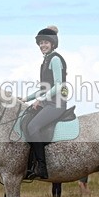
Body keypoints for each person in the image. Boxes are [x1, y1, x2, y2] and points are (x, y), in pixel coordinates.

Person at [23, 26, 68, 179]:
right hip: (48, 103)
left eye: (46, 42)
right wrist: (24, 99)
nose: (43, 45)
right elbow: (44, 89)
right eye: (41, 43)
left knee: (33, 126)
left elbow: (59, 85)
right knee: (25, 120)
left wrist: (40, 100)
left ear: (53, 43)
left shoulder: (55, 59)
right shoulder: (45, 60)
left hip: (57, 104)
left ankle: (42, 167)